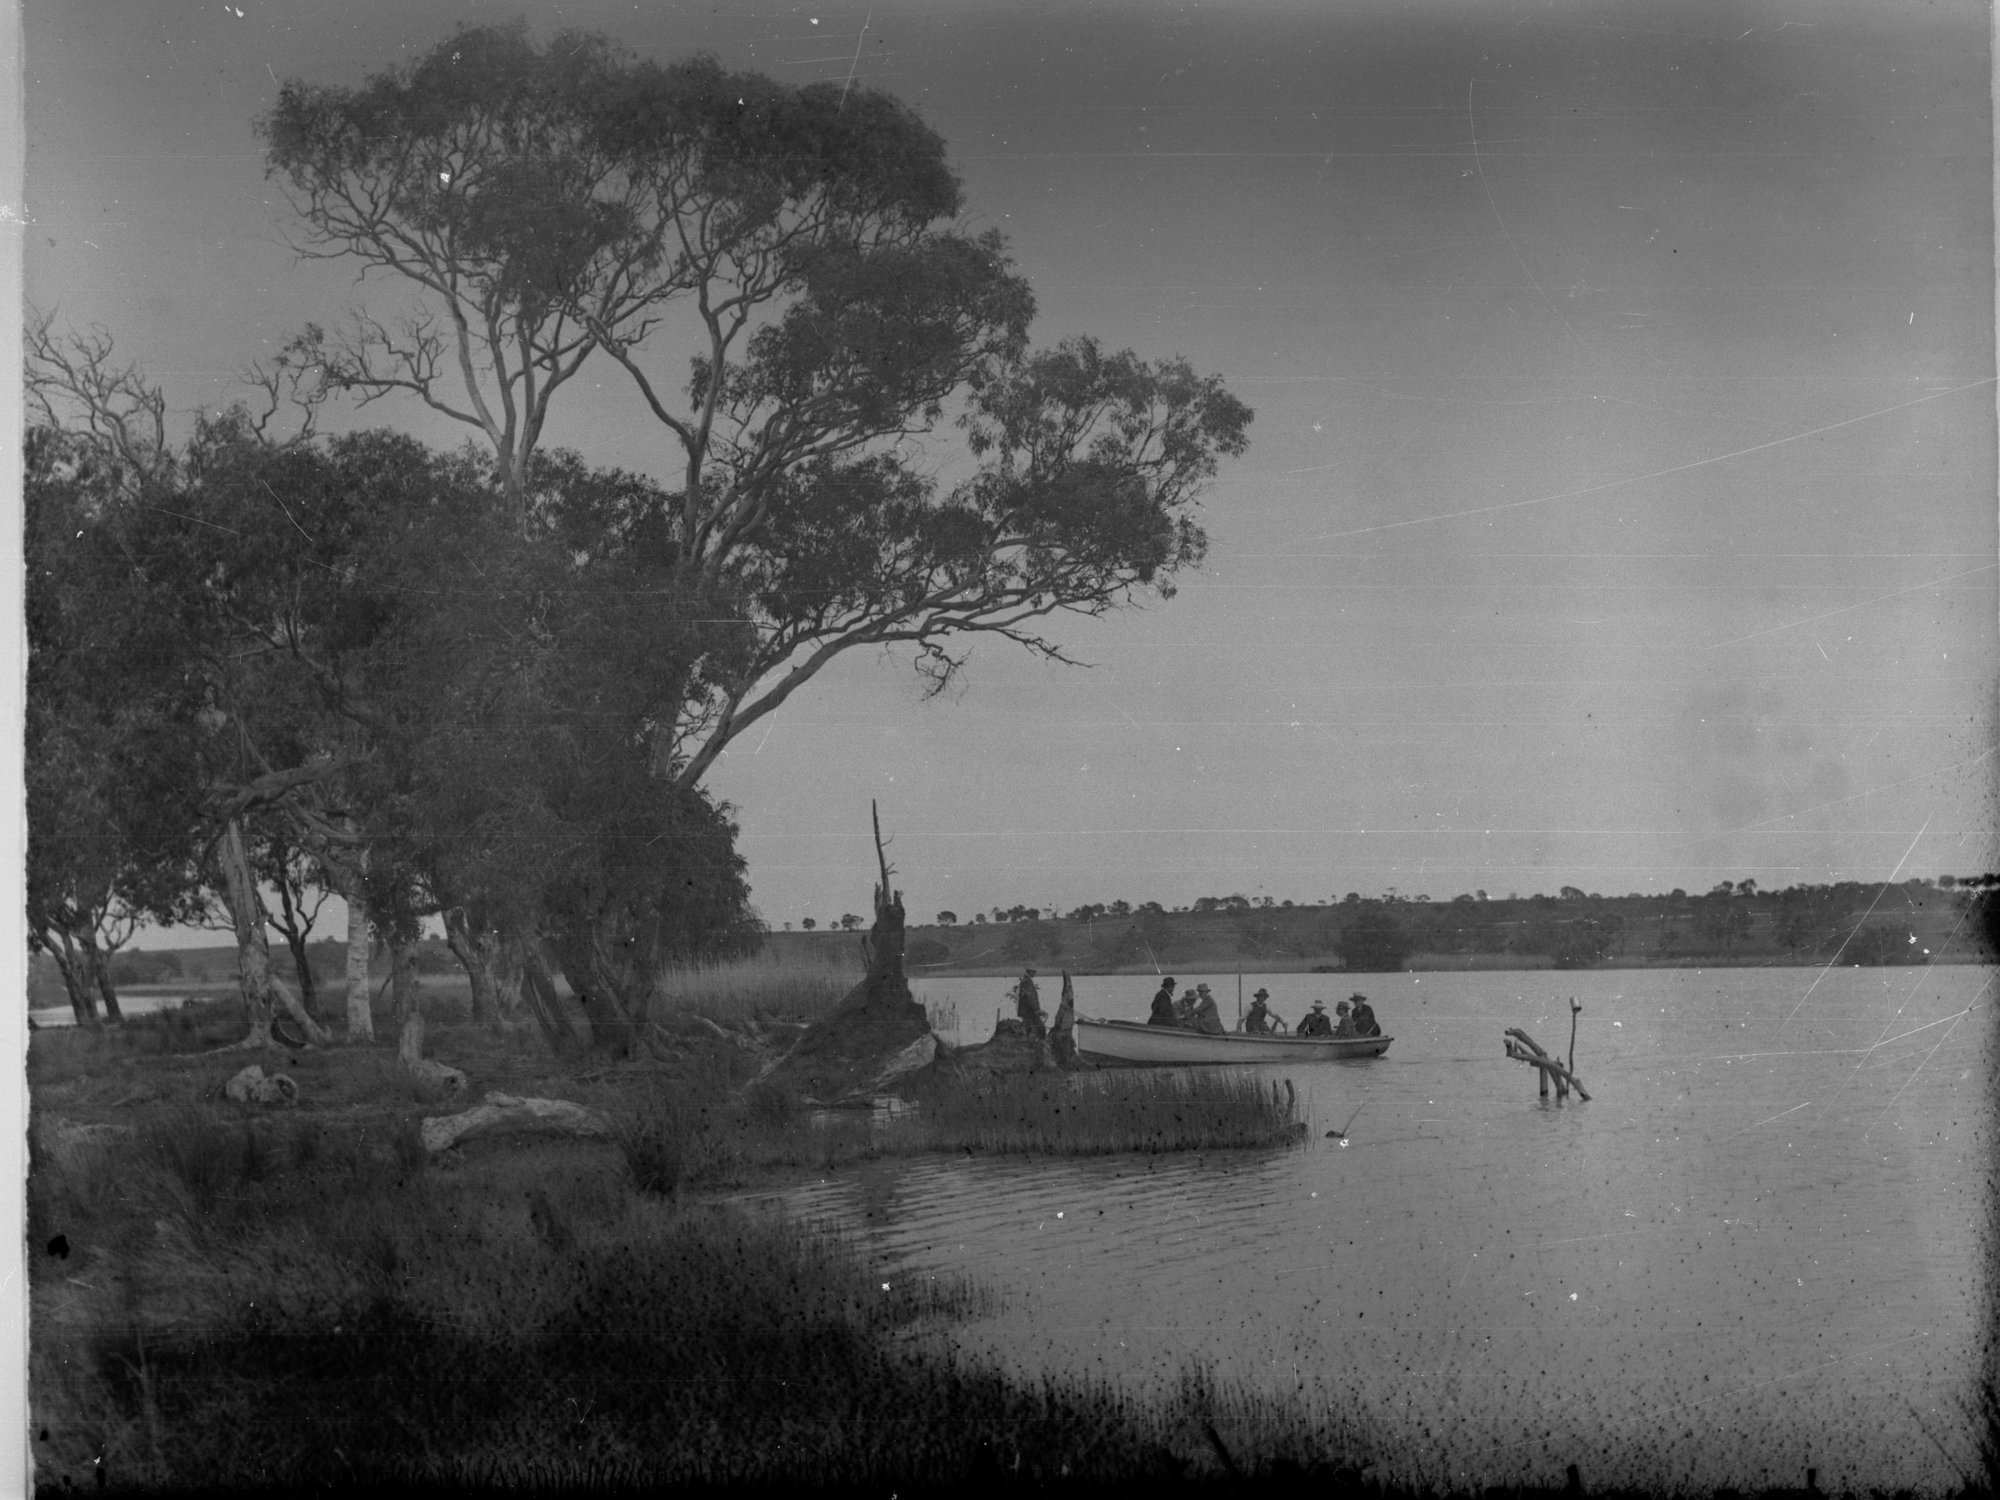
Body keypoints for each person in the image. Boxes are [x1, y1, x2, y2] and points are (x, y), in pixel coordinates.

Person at [1016, 967, 1045, 1037]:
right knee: (1041, 1029)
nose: (1035, 973)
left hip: (1028, 1012)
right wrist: (1037, 1010)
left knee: (1031, 1030)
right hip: (1029, 1012)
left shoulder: (1026, 980)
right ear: (1029, 971)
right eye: (1034, 971)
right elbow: (1030, 998)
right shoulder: (1027, 982)